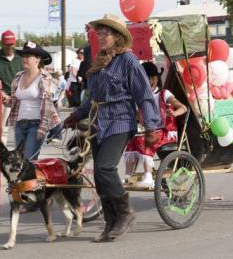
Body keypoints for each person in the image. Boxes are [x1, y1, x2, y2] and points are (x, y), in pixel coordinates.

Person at [63, 14, 160, 242]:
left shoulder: (128, 61)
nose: (102, 36)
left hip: (120, 120)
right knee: (99, 175)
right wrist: (76, 115)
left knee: (106, 167)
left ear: (117, 37)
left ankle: (125, 213)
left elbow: (144, 94)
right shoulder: (99, 61)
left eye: (106, 33)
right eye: (99, 33)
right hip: (99, 121)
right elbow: (93, 98)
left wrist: (151, 126)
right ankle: (110, 223)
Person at [124, 62, 187, 187]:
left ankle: (148, 176)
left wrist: (174, 113)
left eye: (153, 78)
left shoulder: (164, 93)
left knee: (144, 140)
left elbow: (183, 107)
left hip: (167, 132)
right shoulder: (140, 97)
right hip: (152, 130)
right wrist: (137, 115)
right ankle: (128, 177)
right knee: (132, 141)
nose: (151, 81)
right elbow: (139, 117)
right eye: (147, 78)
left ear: (157, 79)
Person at [6, 41, 60, 161]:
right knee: (19, 160)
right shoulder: (18, 77)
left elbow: (48, 106)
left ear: (37, 59)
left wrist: (42, 128)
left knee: (29, 160)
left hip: (36, 125)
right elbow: (16, 101)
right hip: (20, 124)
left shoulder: (45, 79)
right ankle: (26, 180)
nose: (24, 59)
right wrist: (7, 100)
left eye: (28, 56)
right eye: (23, 56)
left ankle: (31, 179)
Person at [0, 30, 23, 168]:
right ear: (2, 43)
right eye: (7, 45)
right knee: (1, 130)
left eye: (11, 44)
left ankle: (20, 158)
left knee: (20, 129)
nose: (9, 47)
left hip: (20, 98)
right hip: (4, 98)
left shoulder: (21, 57)